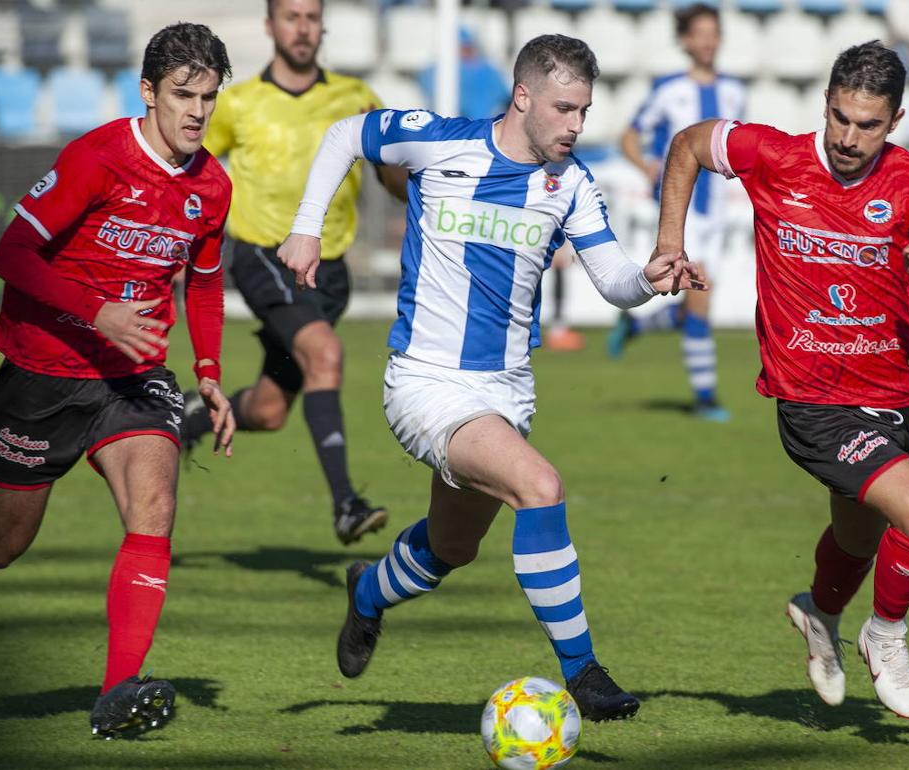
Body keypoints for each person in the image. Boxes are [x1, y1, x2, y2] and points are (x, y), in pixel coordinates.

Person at [280, 34, 704, 722]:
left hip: (505, 393)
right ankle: (584, 672)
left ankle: (366, 594)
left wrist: (649, 280)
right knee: (540, 489)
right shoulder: (438, 141)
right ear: (524, 97)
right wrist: (306, 227)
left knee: (451, 547)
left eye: (585, 111)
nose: (576, 125)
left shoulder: (571, 185)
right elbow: (343, 134)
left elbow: (615, 282)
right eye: (565, 109)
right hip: (425, 384)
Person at [0, 23, 236, 738]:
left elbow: (207, 283)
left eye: (209, 98)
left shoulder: (212, 184)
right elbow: (12, 252)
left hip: (135, 379)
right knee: (3, 547)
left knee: (154, 505)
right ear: (148, 92)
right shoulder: (96, 158)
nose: (197, 112)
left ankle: (119, 692)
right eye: (183, 95)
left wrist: (210, 373)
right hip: (42, 378)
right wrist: (99, 312)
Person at [656, 42, 909, 719]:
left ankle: (818, 614)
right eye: (841, 118)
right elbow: (685, 145)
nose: (851, 138)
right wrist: (669, 243)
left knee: (858, 538)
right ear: (824, 103)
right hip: (811, 399)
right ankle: (884, 637)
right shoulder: (773, 155)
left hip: (889, 393)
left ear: (897, 120)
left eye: (870, 125)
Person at [188, 0, 408, 545]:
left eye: (311, 16)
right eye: (291, 16)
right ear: (270, 26)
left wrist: (429, 192)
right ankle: (346, 505)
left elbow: (391, 177)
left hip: (329, 275)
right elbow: (189, 171)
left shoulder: (355, 99)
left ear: (322, 25)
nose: (302, 26)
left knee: (267, 411)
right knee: (326, 355)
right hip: (264, 255)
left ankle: (186, 420)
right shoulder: (238, 104)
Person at [610, 4, 746, 420]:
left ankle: (637, 326)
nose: (707, 41)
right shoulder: (669, 88)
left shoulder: (735, 91)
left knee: (695, 300)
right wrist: (646, 165)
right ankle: (705, 397)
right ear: (686, 40)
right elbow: (629, 137)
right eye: (699, 33)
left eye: (713, 33)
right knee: (701, 299)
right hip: (683, 211)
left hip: (718, 210)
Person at [418, 26, 511, 121]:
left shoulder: (488, 70)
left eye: (468, 47)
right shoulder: (437, 71)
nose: (465, 51)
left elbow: (504, 96)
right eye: (461, 47)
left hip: (485, 127)